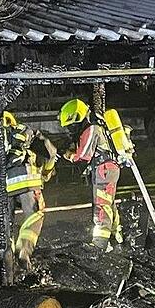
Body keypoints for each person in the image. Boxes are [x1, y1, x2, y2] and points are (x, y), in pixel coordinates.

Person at [59, 99, 128, 252]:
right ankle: (118, 238)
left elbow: (83, 156)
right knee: (108, 204)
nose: (70, 129)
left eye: (71, 125)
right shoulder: (98, 126)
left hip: (104, 170)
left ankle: (99, 244)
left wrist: (68, 155)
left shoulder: (92, 129)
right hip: (107, 169)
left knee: (102, 206)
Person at [3, 111, 57, 279]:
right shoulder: (25, 131)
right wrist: (47, 172)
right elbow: (50, 151)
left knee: (4, 224)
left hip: (3, 186)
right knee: (35, 216)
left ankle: (5, 262)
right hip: (26, 181)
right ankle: (23, 251)